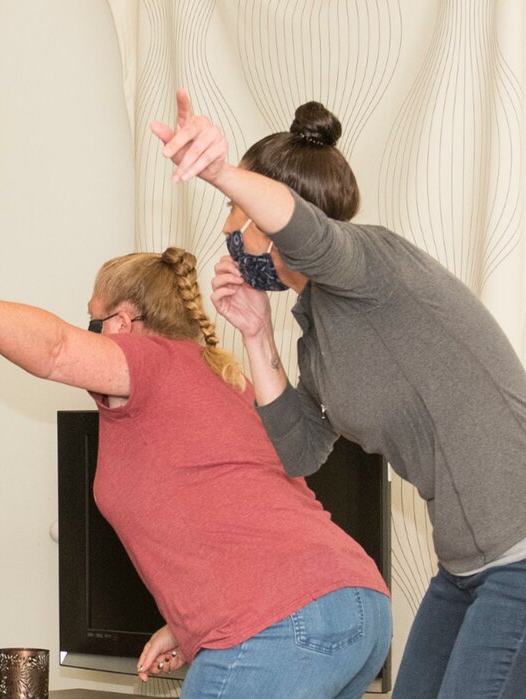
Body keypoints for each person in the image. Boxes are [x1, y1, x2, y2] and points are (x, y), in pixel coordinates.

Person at [153, 90, 526, 697]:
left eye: (232, 208)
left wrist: (224, 170)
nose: (225, 226)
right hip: (463, 566)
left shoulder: (369, 264)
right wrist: (256, 334)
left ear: (264, 216)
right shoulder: (317, 329)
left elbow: (311, 235)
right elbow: (301, 450)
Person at [0, 248, 390, 697]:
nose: (91, 335)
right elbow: (252, 508)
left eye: (94, 321)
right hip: (358, 606)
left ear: (123, 324)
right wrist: (185, 623)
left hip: (277, 623)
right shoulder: (229, 381)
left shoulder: (153, 361)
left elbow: (55, 351)